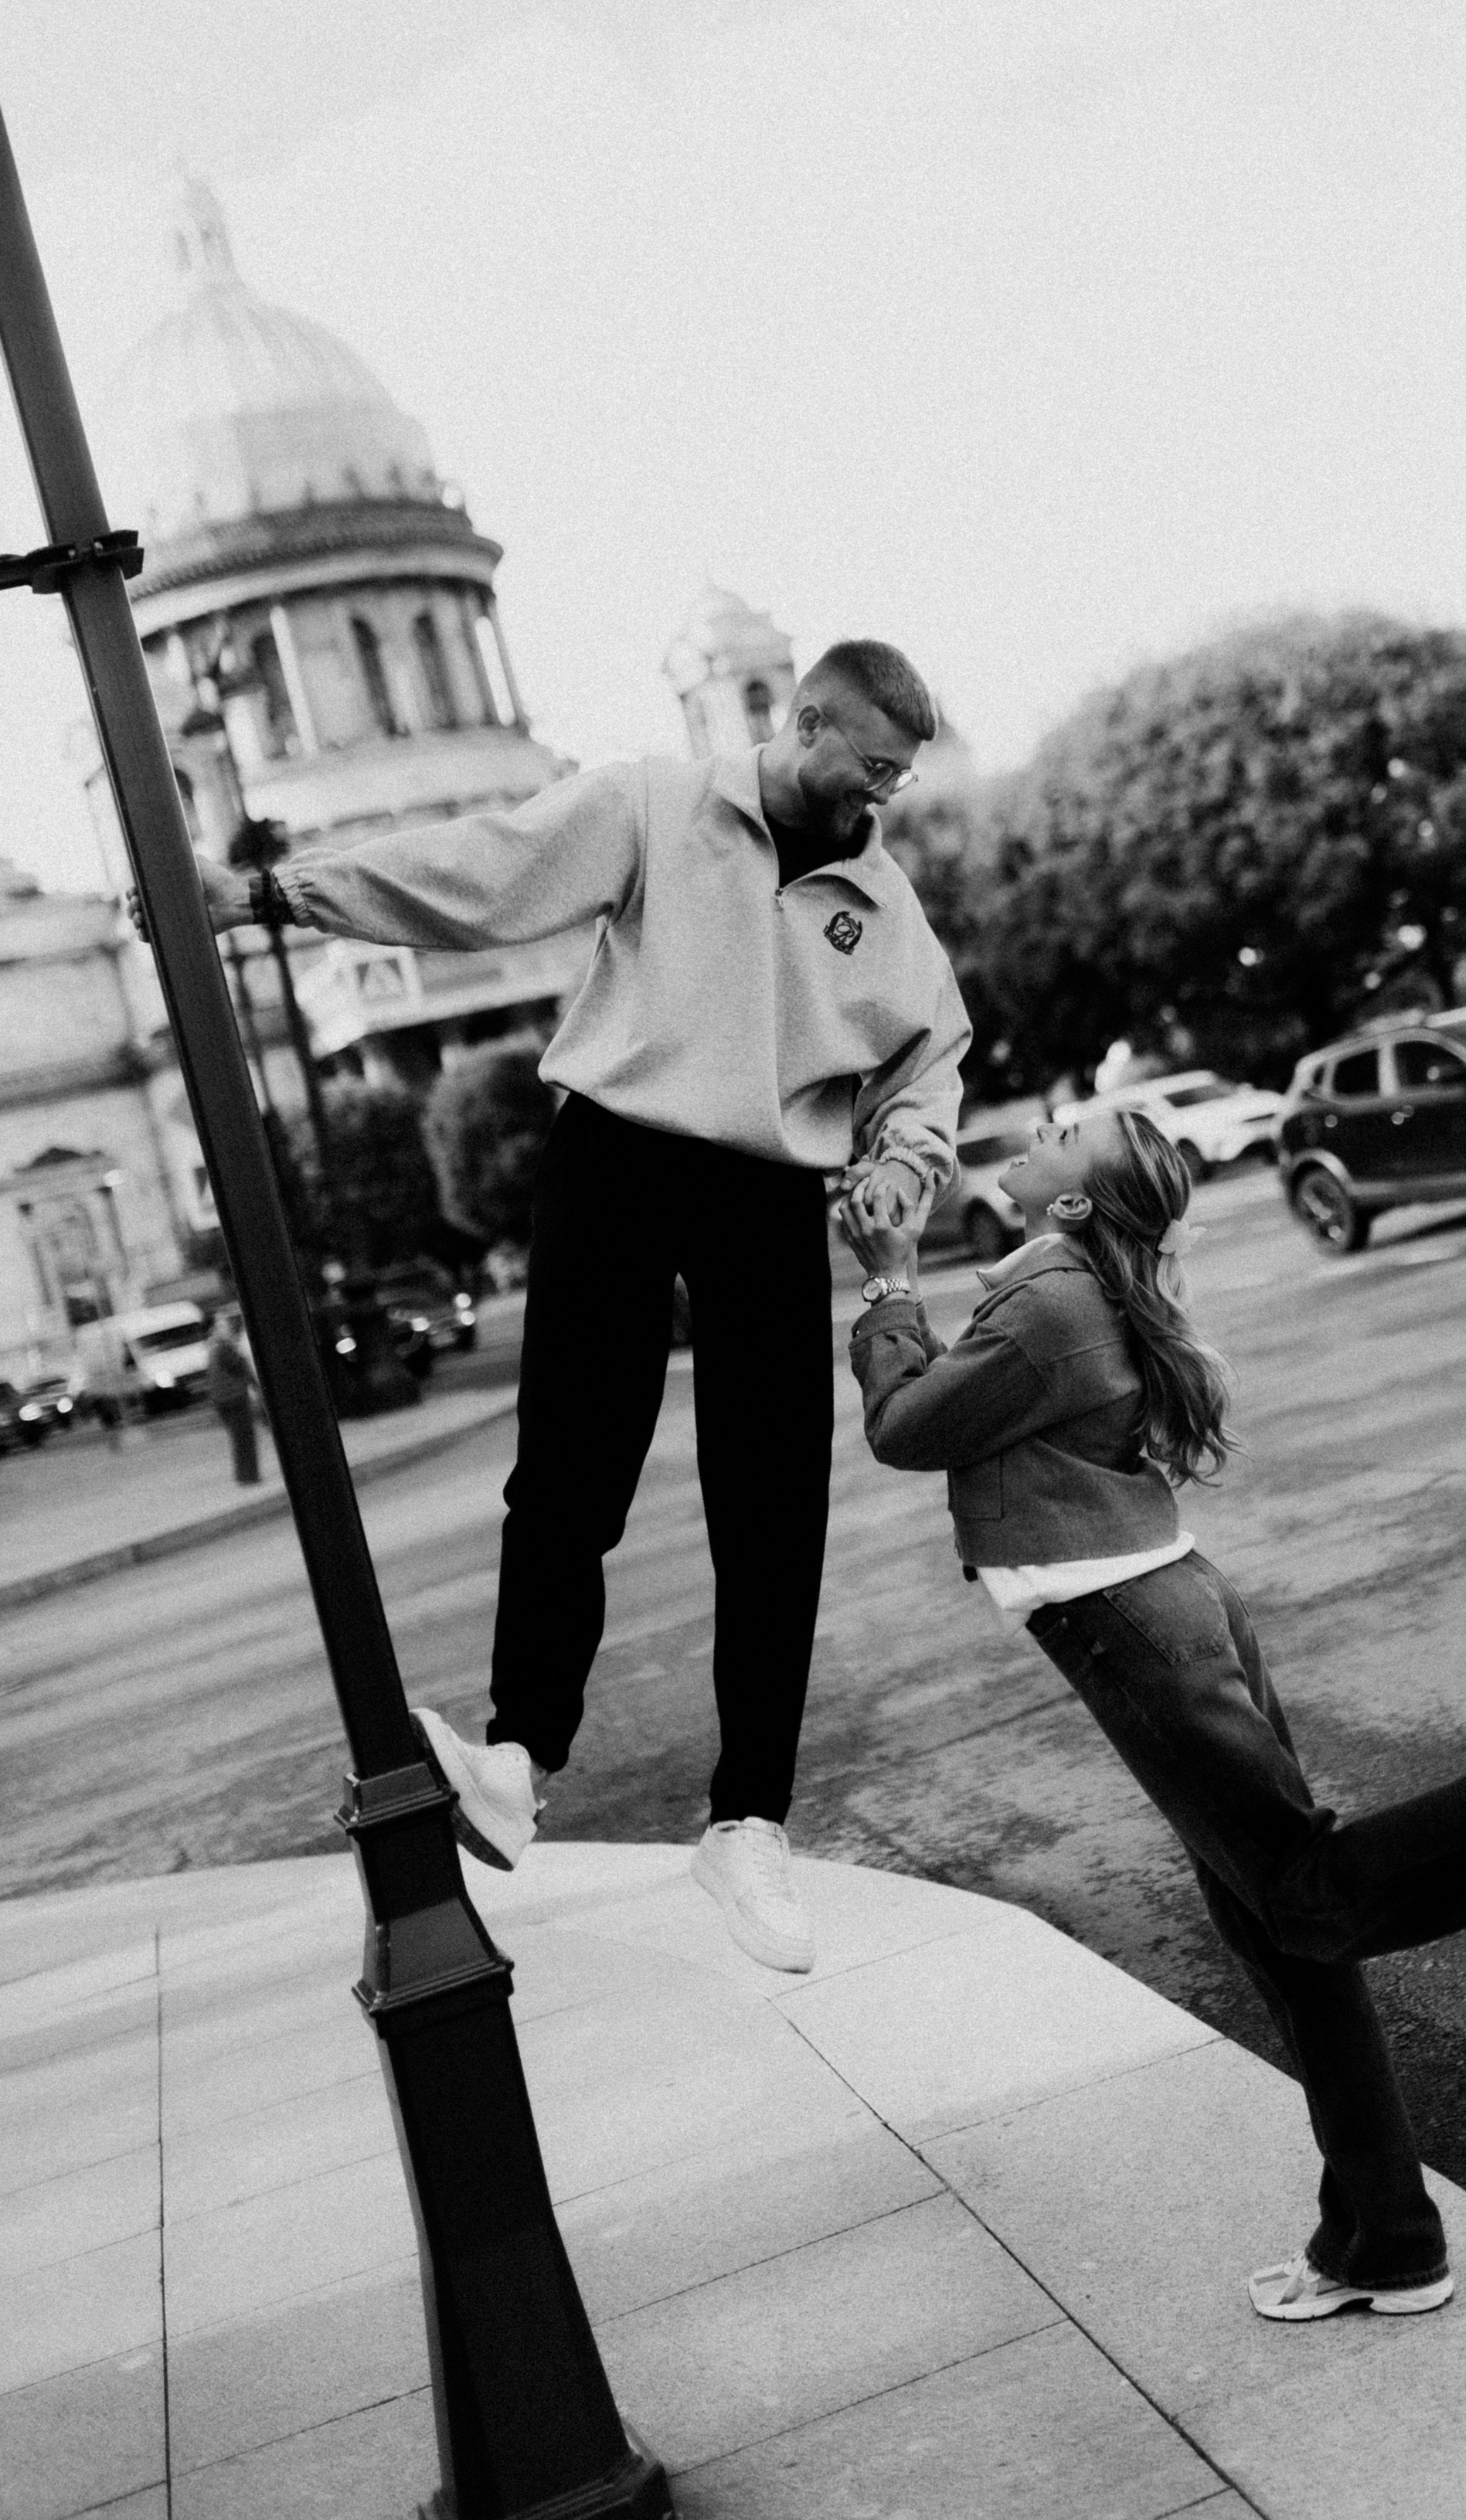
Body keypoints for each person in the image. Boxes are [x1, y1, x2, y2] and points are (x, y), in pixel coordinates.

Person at [837, 1104, 1466, 2321]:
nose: (1041, 1125)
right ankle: (1388, 2242)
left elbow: (902, 1428)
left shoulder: (1047, 1308)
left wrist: (887, 1285)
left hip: (1130, 1626)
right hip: (1170, 1607)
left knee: (1307, 1896)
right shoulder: (1064, 1285)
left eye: (1066, 1130)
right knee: (1284, 1942)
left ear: (1076, 1202)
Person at [194, 640, 968, 1973]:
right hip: (615, 1149)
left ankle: (749, 1824)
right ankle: (518, 1755)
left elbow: (928, 1057)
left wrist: (904, 1162)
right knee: (568, 1466)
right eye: (871, 766)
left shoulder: (882, 906)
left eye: (901, 775)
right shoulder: (655, 804)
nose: (883, 796)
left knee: (775, 1507)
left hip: (766, 1191)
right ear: (804, 723)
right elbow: (485, 870)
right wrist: (273, 895)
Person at [206, 1311, 261, 1484]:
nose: (227, 1328)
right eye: (222, 1326)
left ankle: (245, 1475)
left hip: (225, 1399)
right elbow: (238, 1366)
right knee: (244, 1437)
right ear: (215, 1329)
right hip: (234, 1398)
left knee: (240, 1438)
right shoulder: (223, 1347)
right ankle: (249, 1476)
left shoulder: (215, 1347)